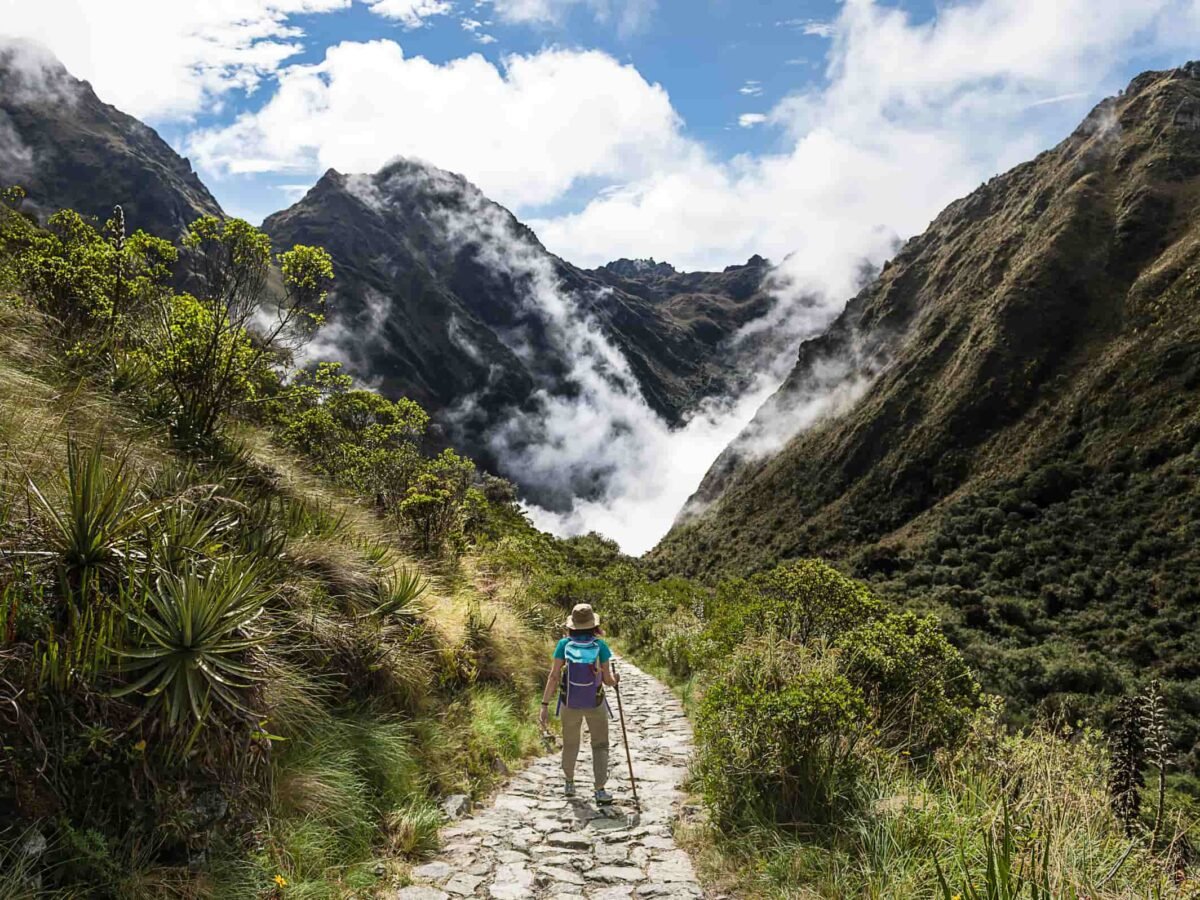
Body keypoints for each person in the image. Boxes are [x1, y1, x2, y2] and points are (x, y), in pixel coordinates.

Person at [538, 603, 620, 803]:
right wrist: (615, 680)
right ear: (593, 625)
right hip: (595, 702)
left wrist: (544, 704)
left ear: (572, 625)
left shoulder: (563, 645)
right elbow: (608, 681)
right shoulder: (600, 646)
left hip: (570, 702)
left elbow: (554, 676)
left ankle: (569, 783)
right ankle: (600, 789)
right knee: (600, 745)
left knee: (571, 743)